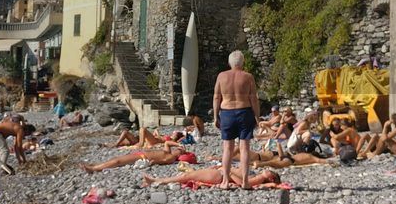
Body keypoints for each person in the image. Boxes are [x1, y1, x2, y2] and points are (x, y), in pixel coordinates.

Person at [213, 49, 261, 190]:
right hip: (244, 111)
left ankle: (226, 181)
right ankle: (245, 182)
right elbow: (254, 99)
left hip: (227, 113)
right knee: (244, 148)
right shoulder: (248, 77)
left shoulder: (222, 76)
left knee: (227, 148)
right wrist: (257, 116)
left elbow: (216, 97)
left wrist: (216, 116)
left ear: (229, 62)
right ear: (243, 62)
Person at [141, 165, 285, 189]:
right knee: (185, 176)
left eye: (271, 172)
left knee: (185, 176)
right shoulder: (258, 176)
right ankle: (156, 181)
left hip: (221, 175)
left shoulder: (259, 179)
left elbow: (242, 183)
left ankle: (156, 181)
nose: (268, 170)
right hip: (221, 172)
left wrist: (228, 171)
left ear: (271, 178)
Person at [82, 147, 182, 173]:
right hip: (141, 154)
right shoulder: (168, 152)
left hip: (142, 158)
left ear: (179, 154)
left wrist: (153, 162)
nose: (177, 149)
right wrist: (177, 144)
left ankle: (94, 168)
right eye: (178, 148)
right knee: (117, 159)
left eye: (180, 150)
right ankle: (97, 166)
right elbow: (168, 143)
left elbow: (163, 161)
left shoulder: (171, 157)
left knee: (118, 162)